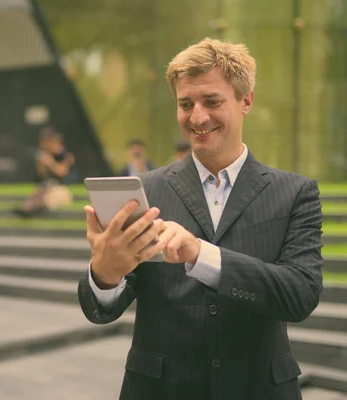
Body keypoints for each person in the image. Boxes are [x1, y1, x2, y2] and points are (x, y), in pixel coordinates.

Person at [78, 38, 322, 400]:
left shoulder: (295, 193)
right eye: (185, 104)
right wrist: (105, 273)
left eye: (212, 101)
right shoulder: (144, 190)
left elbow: (300, 295)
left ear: (246, 101)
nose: (197, 118)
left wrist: (201, 255)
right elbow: (99, 311)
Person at [13, 127, 75, 217]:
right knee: (39, 191)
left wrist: (49, 162)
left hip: (63, 189)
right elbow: (42, 175)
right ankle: (27, 210)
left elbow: (62, 172)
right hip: (48, 187)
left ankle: (33, 210)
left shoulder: (65, 155)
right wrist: (41, 164)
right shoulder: (45, 154)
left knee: (48, 196)